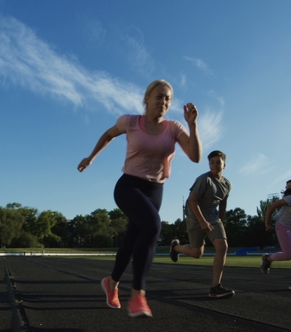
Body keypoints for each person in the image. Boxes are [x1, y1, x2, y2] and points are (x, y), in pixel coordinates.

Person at [78, 79, 201, 317]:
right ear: (146, 98)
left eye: (168, 99)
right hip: (128, 186)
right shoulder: (131, 121)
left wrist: (193, 126)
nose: (163, 102)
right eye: (159, 96)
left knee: (131, 241)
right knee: (153, 225)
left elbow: (195, 156)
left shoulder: (174, 127)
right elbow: (108, 134)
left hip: (155, 191)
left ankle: (111, 283)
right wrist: (91, 157)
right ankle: (138, 294)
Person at [169, 150, 234, 299]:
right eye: (212, 162)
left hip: (212, 217)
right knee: (196, 253)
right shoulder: (204, 180)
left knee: (223, 246)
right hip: (194, 215)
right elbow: (192, 201)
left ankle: (215, 287)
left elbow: (223, 203)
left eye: (218, 162)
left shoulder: (227, 184)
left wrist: (220, 221)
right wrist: (202, 222)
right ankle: (175, 247)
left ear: (224, 164)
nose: (215, 165)